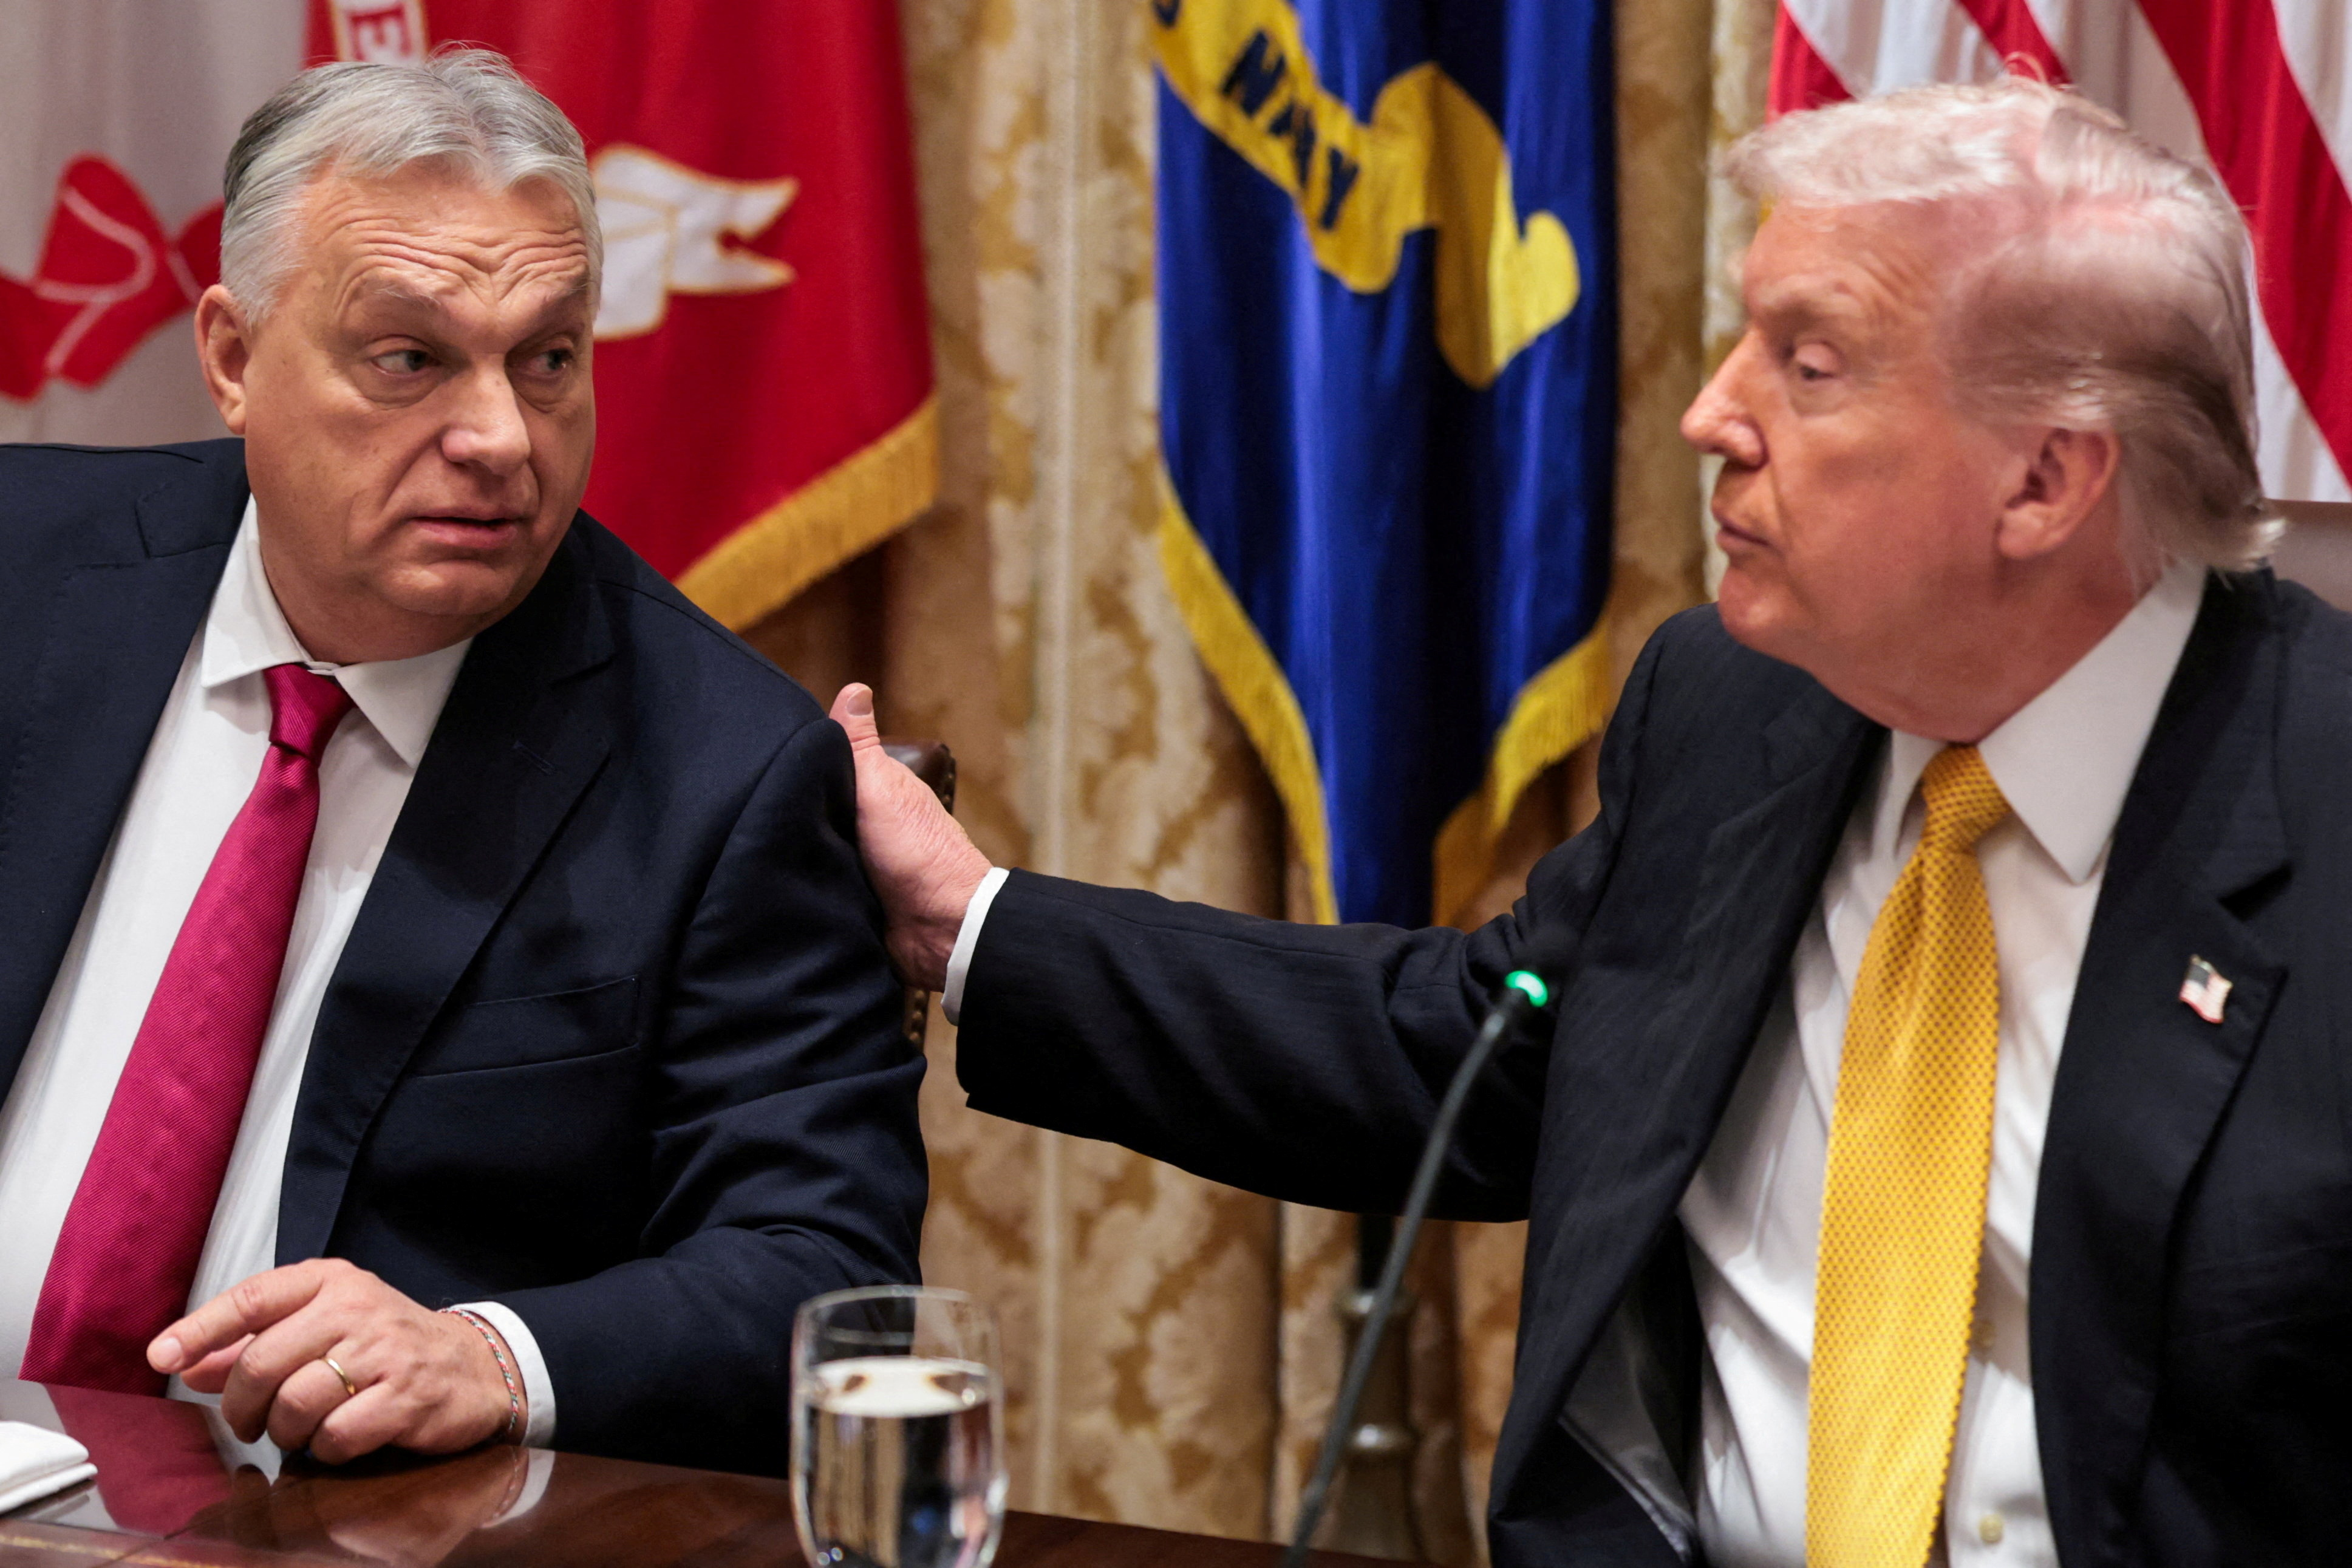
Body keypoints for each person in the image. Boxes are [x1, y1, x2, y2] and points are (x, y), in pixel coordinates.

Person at [834, 78, 2352, 1566]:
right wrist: (964, 916)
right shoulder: (1739, 701)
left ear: (2044, 480)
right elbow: (1476, 1054)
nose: (1710, 415)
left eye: (1808, 366)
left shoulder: (2317, 803)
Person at [0, 50, 924, 1478]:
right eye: (409, 358)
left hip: (320, 1521)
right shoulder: (23, 575)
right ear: (235, 357)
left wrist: (489, 1353)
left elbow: (823, 1273)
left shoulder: (716, 772)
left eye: (547, 358)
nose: (500, 438)